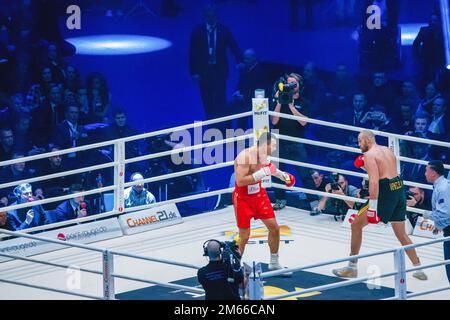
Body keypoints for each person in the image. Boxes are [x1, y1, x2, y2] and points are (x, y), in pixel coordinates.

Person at [332, 130, 428, 280]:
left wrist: (373, 208)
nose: (358, 145)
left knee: (356, 225)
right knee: (401, 233)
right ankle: (418, 268)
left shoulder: (369, 155)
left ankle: (352, 267)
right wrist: (365, 167)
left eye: (360, 141)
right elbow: (387, 171)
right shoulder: (387, 150)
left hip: (384, 194)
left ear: (368, 140)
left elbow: (375, 181)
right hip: (398, 189)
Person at [233, 132, 295, 271]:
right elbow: (240, 181)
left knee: (275, 228)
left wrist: (284, 176)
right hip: (243, 198)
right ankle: (235, 267)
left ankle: (274, 262)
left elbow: (269, 168)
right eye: (272, 146)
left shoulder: (264, 156)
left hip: (259, 195)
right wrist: (263, 173)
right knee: (244, 236)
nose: (273, 149)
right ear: (263, 145)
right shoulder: (245, 157)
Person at [189, 4, 243, 120]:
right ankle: (210, 120)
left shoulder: (224, 30)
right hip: (203, 71)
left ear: (217, 16)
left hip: (220, 70)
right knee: (206, 98)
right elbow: (192, 53)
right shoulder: (197, 32)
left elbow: (233, 46)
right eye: (208, 16)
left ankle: (220, 121)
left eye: (213, 16)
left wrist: (240, 60)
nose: (211, 18)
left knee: (220, 98)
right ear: (204, 17)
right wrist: (194, 71)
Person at [271, 73, 312, 210]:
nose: (291, 86)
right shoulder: (279, 100)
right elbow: (274, 121)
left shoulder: (304, 102)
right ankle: (280, 199)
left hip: (296, 142)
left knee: (304, 173)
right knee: (278, 173)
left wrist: (291, 106)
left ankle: (313, 201)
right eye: (289, 83)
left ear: (299, 86)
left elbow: (304, 122)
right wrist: (279, 102)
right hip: (279, 141)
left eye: (294, 83)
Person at [424, 160, 450, 283]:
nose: (425, 173)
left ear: (433, 173)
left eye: (426, 170)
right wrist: (438, 225)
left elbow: (445, 213)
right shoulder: (441, 185)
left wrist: (427, 214)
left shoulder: (443, 188)